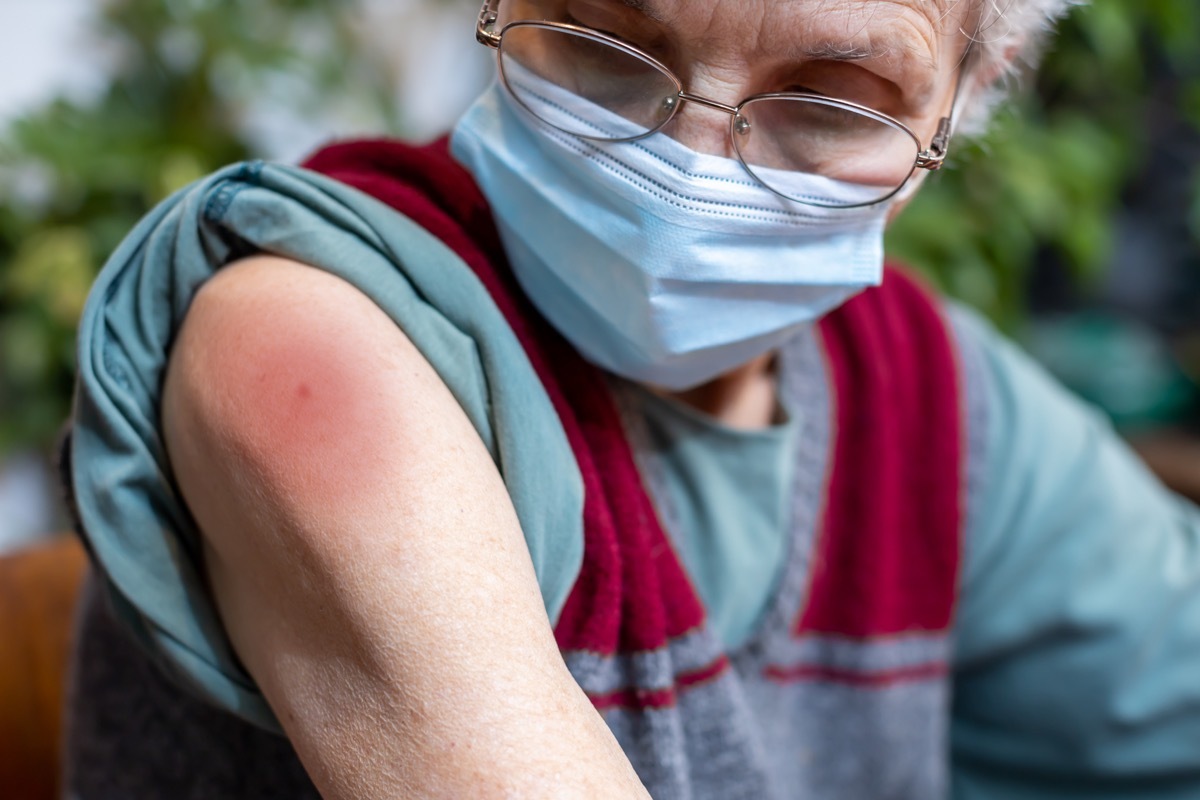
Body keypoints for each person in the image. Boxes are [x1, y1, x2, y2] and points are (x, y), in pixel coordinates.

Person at [62, 0, 1200, 797]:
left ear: (971, 92)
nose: (689, 168)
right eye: (610, 37)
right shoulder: (318, 343)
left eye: (830, 98)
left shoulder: (928, 402)